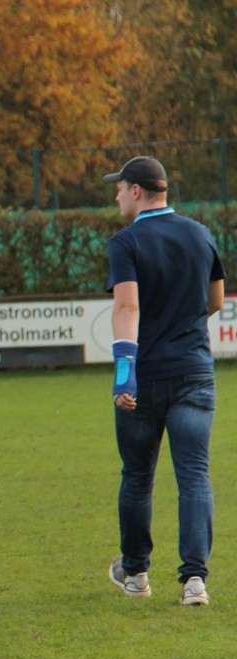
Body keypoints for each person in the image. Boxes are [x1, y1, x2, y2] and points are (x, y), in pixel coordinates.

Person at [105, 156, 224, 606]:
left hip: (147, 376)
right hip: (194, 371)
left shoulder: (126, 241)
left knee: (137, 475)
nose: (116, 195)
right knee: (194, 475)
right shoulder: (200, 233)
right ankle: (194, 581)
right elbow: (214, 299)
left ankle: (135, 573)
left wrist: (124, 376)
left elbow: (128, 308)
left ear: (136, 191)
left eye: (119, 187)